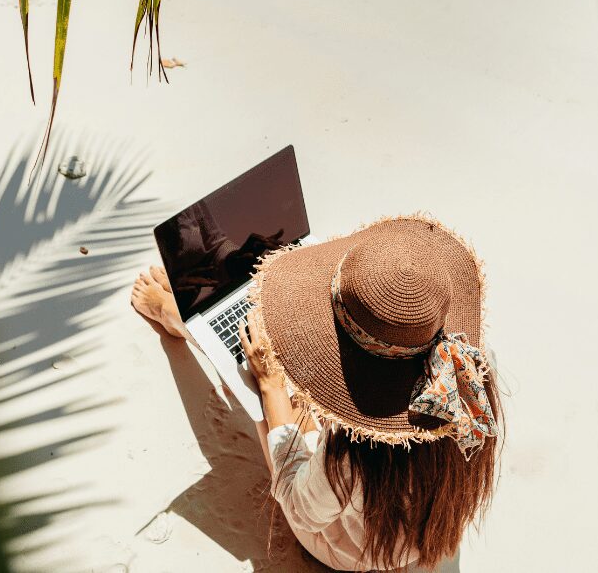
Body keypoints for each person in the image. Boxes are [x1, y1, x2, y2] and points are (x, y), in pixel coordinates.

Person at [132, 214, 504, 571]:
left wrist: (271, 385)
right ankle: (223, 262)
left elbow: (299, 507)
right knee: (296, 390)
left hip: (354, 549)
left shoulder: (352, 457)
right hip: (421, 526)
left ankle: (182, 320)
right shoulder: (467, 370)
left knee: (275, 380)